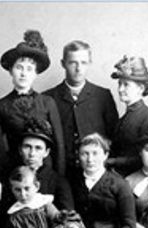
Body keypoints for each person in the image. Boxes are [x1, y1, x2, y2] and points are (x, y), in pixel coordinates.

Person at [0, 30, 65, 175]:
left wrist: (58, 178)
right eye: (19, 68)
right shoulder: (0, 106)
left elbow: (59, 145)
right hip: (14, 172)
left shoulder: (47, 102)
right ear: (10, 71)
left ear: (36, 73)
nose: (24, 74)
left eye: (29, 69)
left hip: (45, 172)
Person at [45, 40, 118, 177]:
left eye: (83, 63)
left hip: (95, 173)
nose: (78, 68)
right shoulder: (48, 98)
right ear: (63, 64)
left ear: (90, 63)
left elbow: (113, 137)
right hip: (61, 174)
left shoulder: (103, 96)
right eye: (73, 63)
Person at [71, 133, 137, 228]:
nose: (90, 159)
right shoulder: (74, 181)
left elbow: (130, 226)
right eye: (85, 154)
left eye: (95, 153)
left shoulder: (119, 185)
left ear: (105, 155)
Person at [108, 56, 148, 176]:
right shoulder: (123, 118)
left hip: (137, 178)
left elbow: (147, 158)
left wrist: (113, 161)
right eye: (119, 84)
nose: (120, 89)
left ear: (141, 88)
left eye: (126, 85)